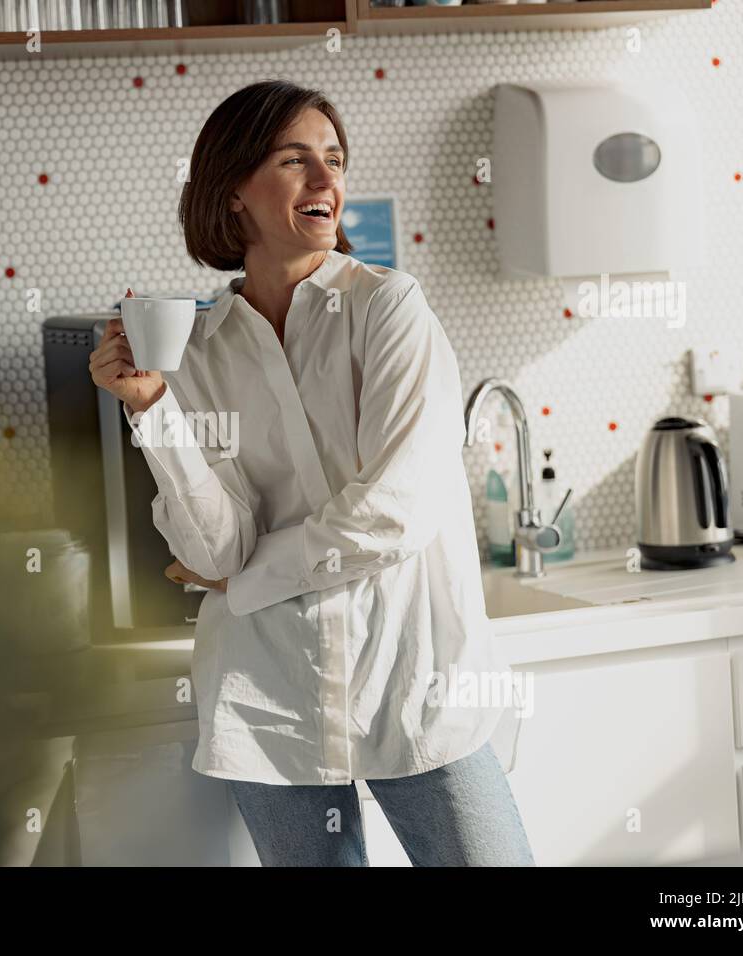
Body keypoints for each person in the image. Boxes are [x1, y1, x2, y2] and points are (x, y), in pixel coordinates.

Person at [88, 80, 533, 867]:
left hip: (415, 680)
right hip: (273, 696)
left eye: (334, 160)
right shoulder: (195, 353)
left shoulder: (390, 309)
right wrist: (152, 408)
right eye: (298, 162)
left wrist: (250, 580)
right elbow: (216, 550)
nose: (328, 183)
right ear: (233, 195)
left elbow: (395, 511)